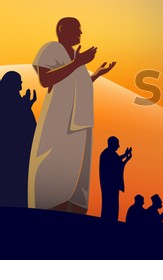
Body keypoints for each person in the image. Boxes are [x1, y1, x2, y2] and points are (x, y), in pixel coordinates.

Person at [28, 17, 116, 214]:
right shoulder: (52, 48)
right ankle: (49, 207)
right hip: (60, 117)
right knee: (54, 161)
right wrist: (77, 63)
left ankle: (73, 211)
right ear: (62, 29)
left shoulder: (76, 59)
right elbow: (46, 79)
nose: (81, 33)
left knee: (78, 168)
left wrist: (97, 74)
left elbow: (77, 84)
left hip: (81, 121)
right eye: (77, 29)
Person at [0, 71, 37, 207]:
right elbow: (11, 122)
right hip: (11, 154)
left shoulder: (14, 98)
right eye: (19, 81)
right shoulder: (7, 99)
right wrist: (25, 106)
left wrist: (26, 104)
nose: (21, 84)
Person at [99, 136, 132, 220]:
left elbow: (117, 162)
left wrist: (126, 157)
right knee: (109, 204)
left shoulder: (110, 154)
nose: (118, 146)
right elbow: (115, 165)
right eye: (117, 144)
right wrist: (125, 157)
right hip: (109, 185)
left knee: (113, 205)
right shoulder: (106, 154)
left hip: (112, 185)